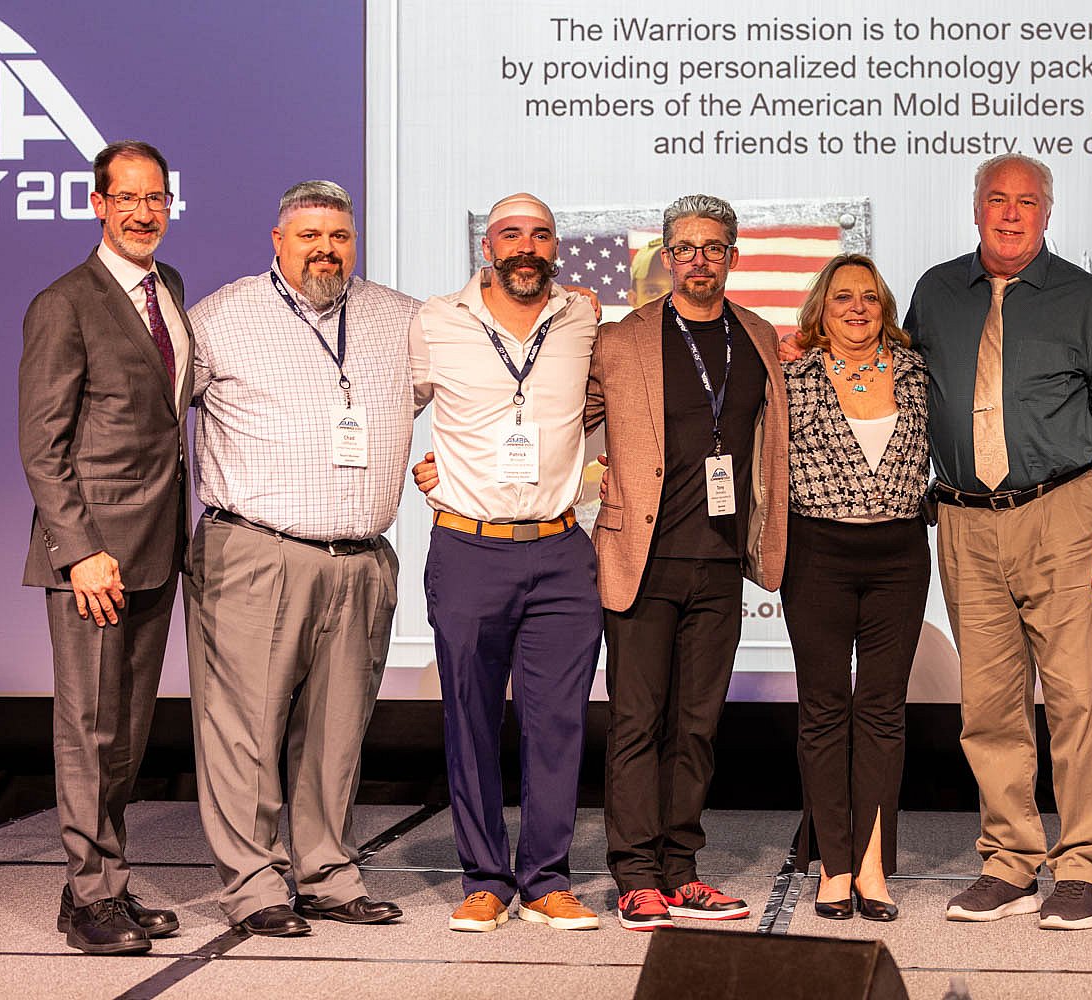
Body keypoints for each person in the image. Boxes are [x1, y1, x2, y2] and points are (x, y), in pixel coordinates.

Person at [899, 154, 1092, 931]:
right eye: (995, 199)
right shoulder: (935, 292)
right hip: (964, 520)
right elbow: (896, 384)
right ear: (975, 210)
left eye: (1025, 202)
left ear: (1046, 213)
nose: (1009, 213)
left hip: (1062, 513)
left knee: (1076, 701)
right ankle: (1008, 861)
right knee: (989, 704)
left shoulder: (1085, 298)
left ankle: (1082, 867)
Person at [186, 180, 416, 936]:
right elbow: (146, 412)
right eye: (309, 235)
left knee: (336, 734)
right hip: (258, 552)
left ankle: (326, 874)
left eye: (339, 236)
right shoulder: (219, 317)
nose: (326, 249)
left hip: (362, 559)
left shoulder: (400, 318)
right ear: (277, 241)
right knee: (244, 731)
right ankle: (253, 884)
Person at [586, 194, 789, 930]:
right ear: (666, 257)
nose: (698, 260)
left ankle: (680, 869)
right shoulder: (619, 339)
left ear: (733, 255)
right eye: (685, 248)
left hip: (720, 562)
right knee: (637, 722)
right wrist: (457, 469)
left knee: (696, 726)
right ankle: (635, 875)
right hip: (642, 558)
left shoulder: (759, 336)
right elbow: (556, 419)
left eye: (713, 247)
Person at [409, 193, 603, 934]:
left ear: (557, 247)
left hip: (560, 550)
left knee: (558, 724)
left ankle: (547, 879)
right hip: (468, 548)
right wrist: (414, 474)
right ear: (486, 248)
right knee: (470, 719)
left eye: (541, 235)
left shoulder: (583, 317)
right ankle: (485, 879)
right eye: (511, 234)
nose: (527, 246)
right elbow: (389, 408)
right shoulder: (435, 321)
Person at [19, 140, 190, 956]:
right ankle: (91, 898)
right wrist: (78, 550)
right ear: (97, 204)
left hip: (157, 545)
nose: (142, 212)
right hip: (94, 559)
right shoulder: (65, 301)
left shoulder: (170, 287)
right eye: (127, 197)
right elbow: (42, 443)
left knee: (124, 736)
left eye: (155, 198)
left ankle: (104, 886)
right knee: (88, 729)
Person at [780, 255, 930, 922]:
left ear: (884, 307)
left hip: (899, 555)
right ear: (821, 307)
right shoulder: (791, 376)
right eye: (842, 297)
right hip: (817, 554)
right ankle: (832, 866)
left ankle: (871, 865)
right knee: (822, 711)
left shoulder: (915, 372)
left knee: (881, 710)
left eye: (869, 297)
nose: (857, 308)